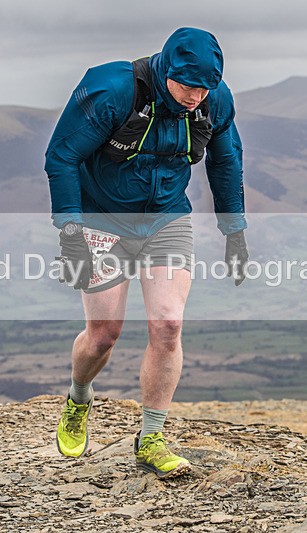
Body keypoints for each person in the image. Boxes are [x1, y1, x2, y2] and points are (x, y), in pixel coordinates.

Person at [45, 27, 248, 478]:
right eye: (187, 86)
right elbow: (60, 157)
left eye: (205, 87)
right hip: (102, 219)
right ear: (167, 71)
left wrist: (234, 231)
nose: (196, 97)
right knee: (103, 334)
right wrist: (70, 234)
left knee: (169, 324)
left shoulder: (215, 99)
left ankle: (151, 435)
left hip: (166, 218)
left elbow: (226, 160)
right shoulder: (113, 89)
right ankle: (79, 397)